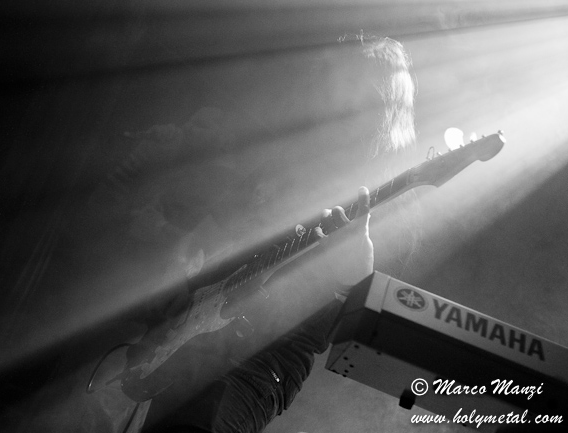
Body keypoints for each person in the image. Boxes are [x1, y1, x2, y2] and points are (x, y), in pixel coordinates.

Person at [117, 34, 417, 433]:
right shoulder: (284, 167)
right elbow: (208, 238)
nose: (328, 99)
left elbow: (359, 339)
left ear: (378, 107)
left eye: (346, 88)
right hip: (193, 337)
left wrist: (352, 276)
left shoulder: (391, 209)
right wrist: (181, 287)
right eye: (327, 83)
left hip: (259, 365)